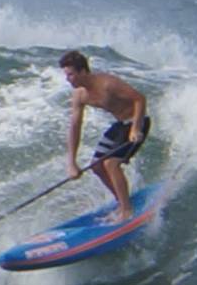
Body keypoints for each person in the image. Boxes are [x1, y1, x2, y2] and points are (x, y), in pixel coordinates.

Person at [58, 49, 150, 222]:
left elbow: (139, 99)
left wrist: (136, 128)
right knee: (96, 166)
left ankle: (126, 210)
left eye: (70, 75)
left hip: (138, 122)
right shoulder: (79, 95)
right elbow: (75, 127)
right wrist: (72, 163)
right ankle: (122, 202)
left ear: (83, 71)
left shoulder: (107, 83)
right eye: (66, 75)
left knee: (111, 163)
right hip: (120, 125)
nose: (67, 79)